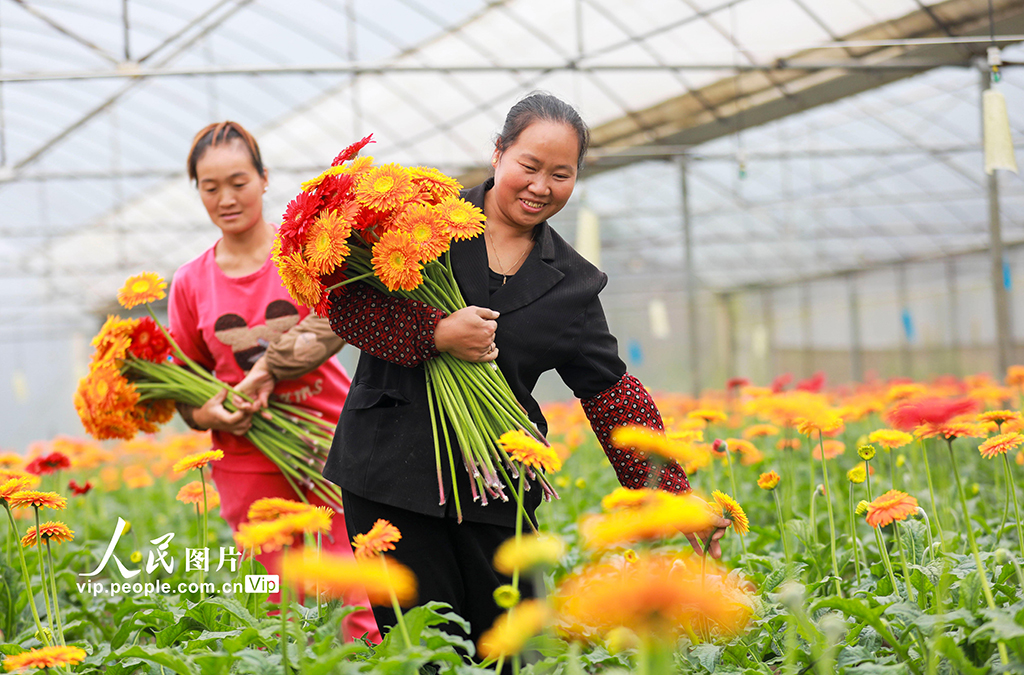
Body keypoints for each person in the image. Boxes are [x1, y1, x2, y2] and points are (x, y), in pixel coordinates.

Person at [323, 93, 727, 646]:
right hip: (389, 469)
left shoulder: (575, 283)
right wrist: (436, 333)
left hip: (496, 481)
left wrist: (673, 496)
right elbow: (348, 308)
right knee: (424, 648)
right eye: (529, 166)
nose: (541, 186)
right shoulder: (424, 224)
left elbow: (611, 394)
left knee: (509, 647)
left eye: (561, 174)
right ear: (498, 155)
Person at [167, 121, 379, 642]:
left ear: (264, 179)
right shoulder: (191, 282)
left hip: (326, 439)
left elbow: (336, 318)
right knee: (272, 600)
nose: (226, 198)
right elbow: (185, 384)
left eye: (238, 182)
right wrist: (207, 413)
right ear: (197, 190)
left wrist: (264, 371)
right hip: (245, 456)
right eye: (210, 187)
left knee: (355, 585)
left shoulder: (302, 254)